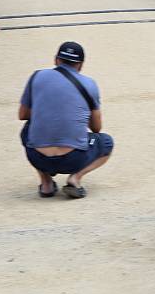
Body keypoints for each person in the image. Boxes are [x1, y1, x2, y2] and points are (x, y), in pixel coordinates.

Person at [19, 42, 113, 198]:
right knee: (106, 142)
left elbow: (22, 115)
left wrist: (46, 112)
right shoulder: (89, 84)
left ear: (56, 60)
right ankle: (75, 179)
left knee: (27, 129)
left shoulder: (37, 76)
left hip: (38, 157)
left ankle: (46, 183)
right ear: (81, 65)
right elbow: (96, 128)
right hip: (73, 159)